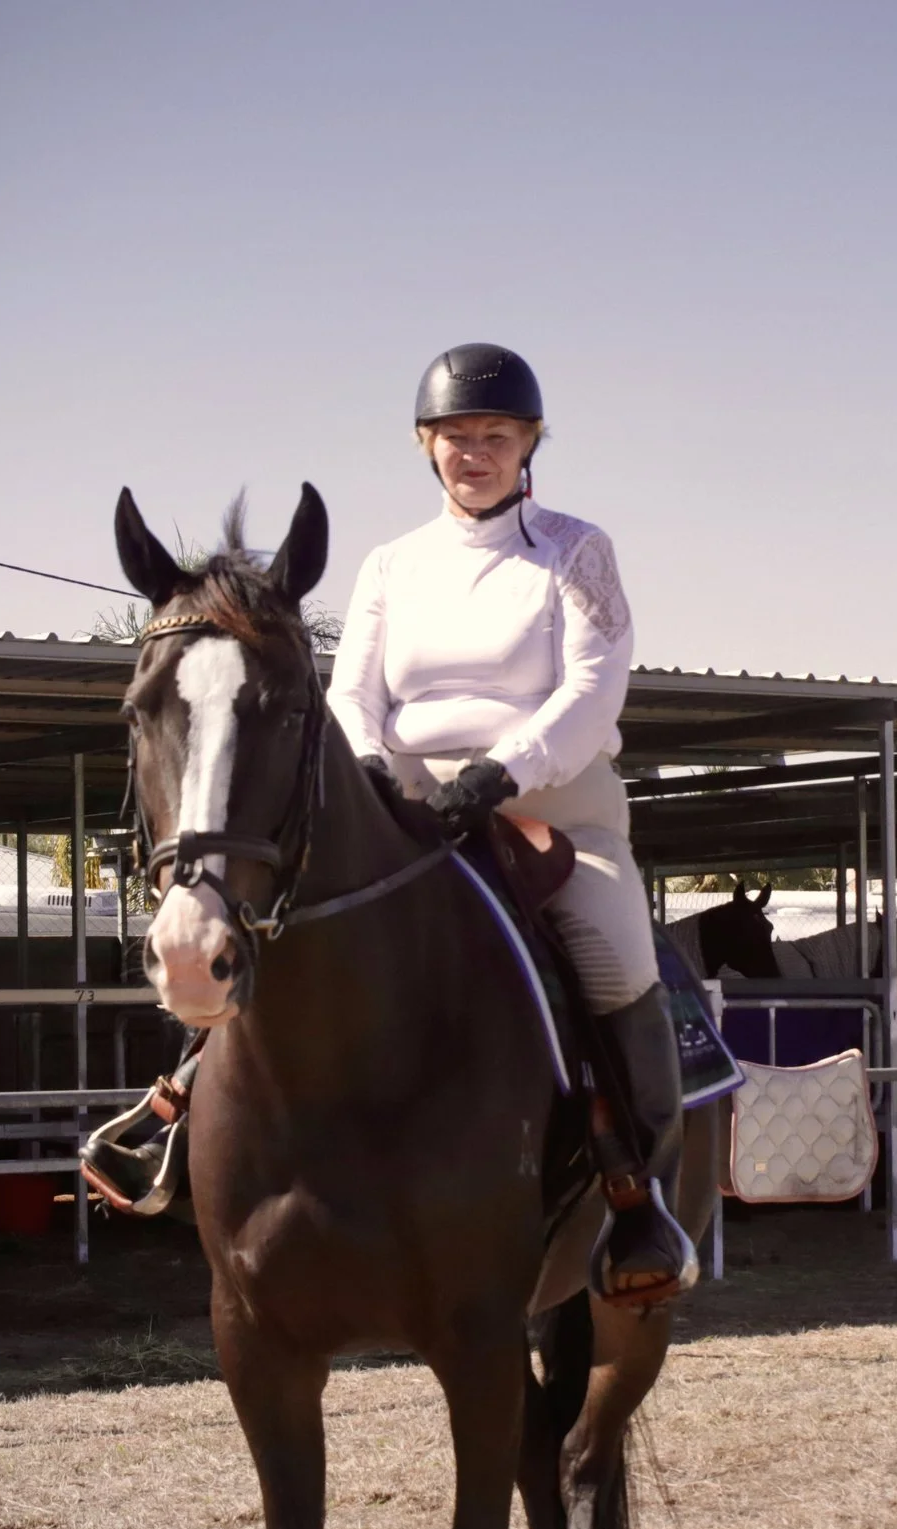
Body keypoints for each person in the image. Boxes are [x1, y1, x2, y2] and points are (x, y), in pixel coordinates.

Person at [328, 342, 693, 1306]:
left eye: (496, 435)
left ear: (530, 443)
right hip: (407, 816)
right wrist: (370, 768)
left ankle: (638, 1199)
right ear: (425, 445)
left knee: (619, 962)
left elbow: (590, 687)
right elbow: (351, 691)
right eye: (456, 436)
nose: (474, 452)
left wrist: (503, 772)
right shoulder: (388, 565)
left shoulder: (578, 550)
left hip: (551, 810)